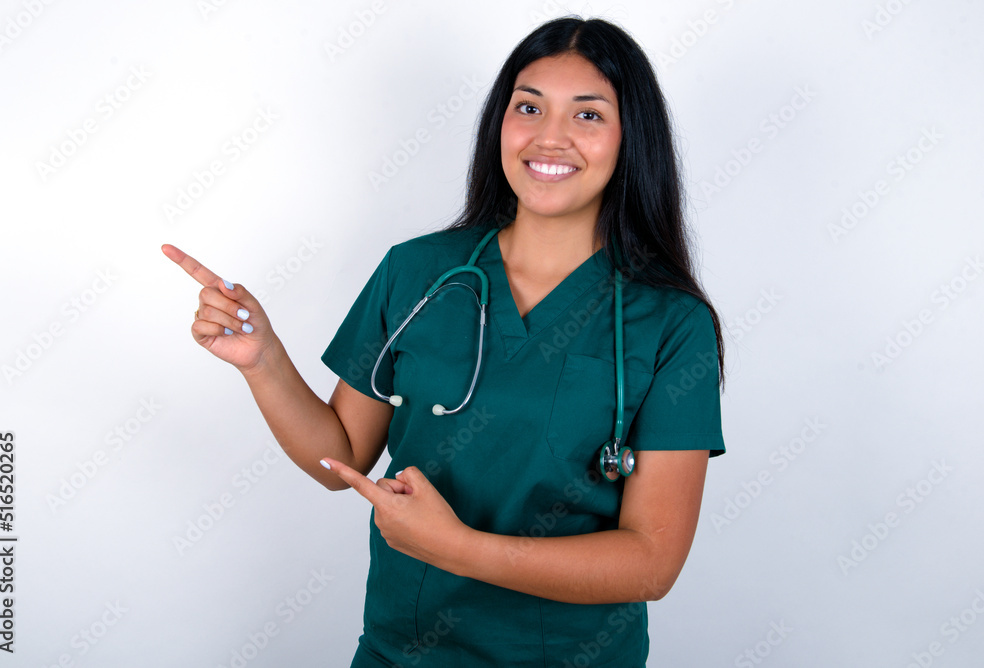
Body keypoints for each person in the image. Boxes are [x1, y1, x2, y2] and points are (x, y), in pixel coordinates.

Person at [163, 16, 726, 667]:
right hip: (402, 654)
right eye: (529, 107)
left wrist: (455, 547)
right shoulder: (417, 273)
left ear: (632, 140)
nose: (550, 135)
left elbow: (651, 562)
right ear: (499, 124)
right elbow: (340, 455)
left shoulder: (672, 323)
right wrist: (263, 362)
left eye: (589, 115)